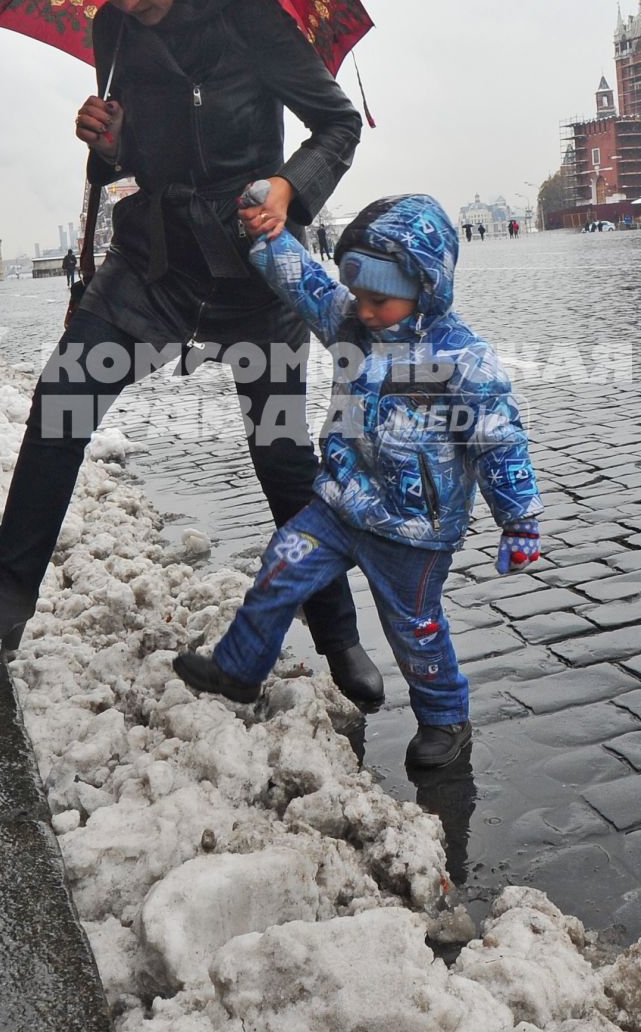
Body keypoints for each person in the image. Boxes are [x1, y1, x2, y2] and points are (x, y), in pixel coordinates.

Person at [0, 0, 385, 709]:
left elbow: (336, 125)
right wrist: (103, 140)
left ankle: (340, 636)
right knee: (62, 401)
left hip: (255, 266)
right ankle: (4, 599)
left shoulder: (253, 17)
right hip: (155, 263)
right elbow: (127, 163)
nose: (127, 0)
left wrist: (290, 188)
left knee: (283, 459)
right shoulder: (114, 32)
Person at [173, 195, 543, 770]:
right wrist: (270, 237)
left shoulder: (461, 357)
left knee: (414, 628)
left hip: (414, 528)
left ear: (426, 287)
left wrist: (518, 518)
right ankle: (239, 668)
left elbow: (499, 439)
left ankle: (446, 718)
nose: (365, 311)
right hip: (341, 504)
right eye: (360, 297)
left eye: (380, 299)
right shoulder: (351, 326)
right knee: (279, 568)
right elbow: (308, 286)